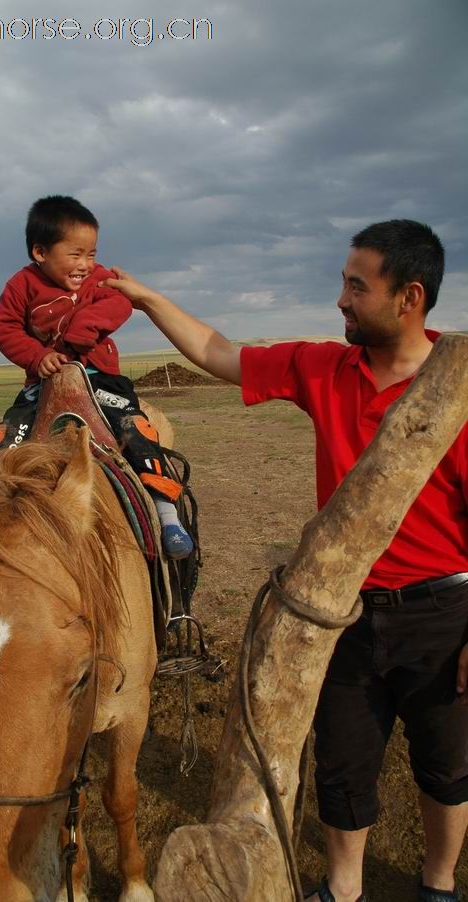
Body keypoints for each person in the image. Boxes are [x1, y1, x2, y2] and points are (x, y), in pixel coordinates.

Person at [101, 219, 468, 902]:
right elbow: (219, 353)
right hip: (338, 613)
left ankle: (439, 885)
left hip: (444, 611)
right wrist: (147, 299)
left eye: (357, 286)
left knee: (446, 767)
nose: (340, 300)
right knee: (342, 762)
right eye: (342, 282)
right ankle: (343, 886)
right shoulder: (327, 367)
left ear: (409, 297)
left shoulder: (462, 388)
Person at [0, 194, 194, 560]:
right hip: (45, 381)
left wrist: (85, 328)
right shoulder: (20, 286)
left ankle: (167, 514)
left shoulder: (100, 279)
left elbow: (119, 301)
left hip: (100, 377)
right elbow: (5, 329)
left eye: (92, 254)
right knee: (6, 440)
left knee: (136, 430)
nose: (86, 265)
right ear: (40, 252)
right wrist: (38, 357)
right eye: (76, 254)